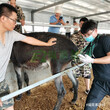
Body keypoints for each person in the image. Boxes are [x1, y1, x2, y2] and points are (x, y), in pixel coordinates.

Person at [0, 3, 57, 110]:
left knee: (9, 107)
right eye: (13, 20)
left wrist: (47, 44)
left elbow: (28, 39)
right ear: (3, 18)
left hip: (2, 82)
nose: (16, 23)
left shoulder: (11, 34)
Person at [78, 20, 110, 110]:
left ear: (95, 30)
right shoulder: (91, 44)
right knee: (89, 107)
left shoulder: (105, 39)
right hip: (99, 83)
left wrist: (92, 60)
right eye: (84, 35)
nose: (86, 37)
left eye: (88, 35)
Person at [70, 17, 91, 95]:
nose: (82, 25)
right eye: (81, 23)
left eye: (84, 24)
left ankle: (88, 89)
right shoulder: (74, 35)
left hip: (86, 58)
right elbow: (70, 47)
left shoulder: (90, 35)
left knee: (87, 74)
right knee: (75, 74)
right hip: (75, 58)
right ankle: (75, 87)